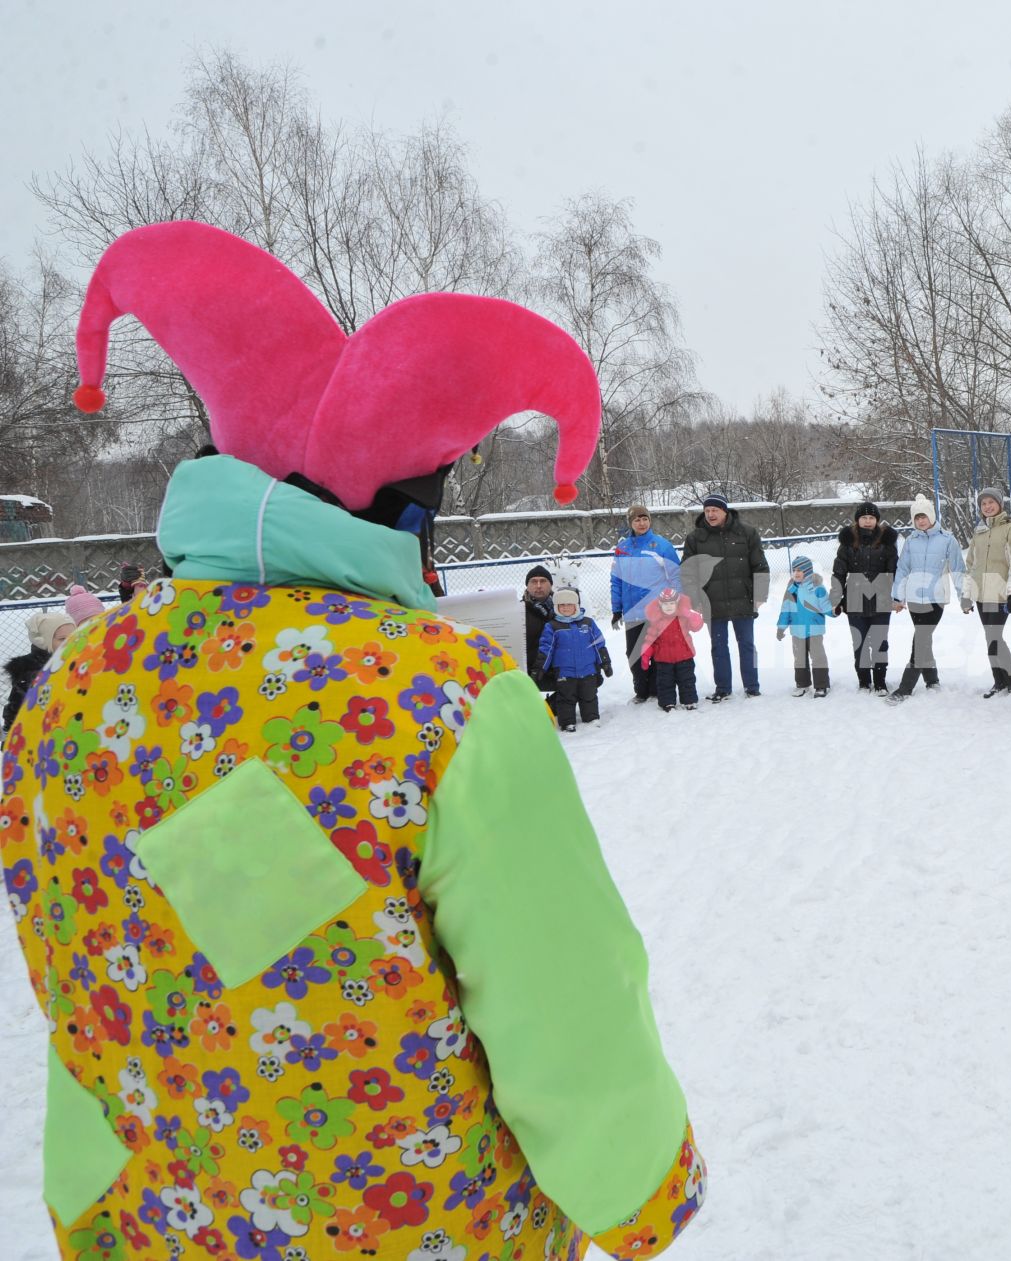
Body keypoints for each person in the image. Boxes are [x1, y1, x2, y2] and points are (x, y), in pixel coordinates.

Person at [12, 220, 703, 1261]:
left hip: (147, 1210)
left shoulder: (69, 681)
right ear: (403, 513)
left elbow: (83, 942)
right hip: (408, 1223)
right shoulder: (444, 699)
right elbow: (561, 994)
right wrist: (642, 1187)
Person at [681, 492, 769, 702]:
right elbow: (687, 572)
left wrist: (760, 594)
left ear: (725, 511)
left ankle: (752, 686)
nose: (711, 514)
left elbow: (760, 565)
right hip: (712, 602)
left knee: (747, 644)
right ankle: (723, 688)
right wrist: (695, 599)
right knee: (719, 647)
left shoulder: (746, 533)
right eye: (707, 510)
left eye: (715, 510)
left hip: (743, 599)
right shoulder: (695, 538)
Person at [888, 494, 965, 702]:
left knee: (921, 639)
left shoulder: (948, 539)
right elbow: (902, 569)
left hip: (936, 599)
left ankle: (905, 688)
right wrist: (898, 597)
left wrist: (964, 597)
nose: (921, 521)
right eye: (917, 518)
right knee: (923, 638)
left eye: (924, 516)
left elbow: (958, 569)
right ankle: (932, 680)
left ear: (931, 516)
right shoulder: (911, 541)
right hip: (914, 599)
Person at [609, 503, 682, 704]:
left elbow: (676, 576)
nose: (641, 523)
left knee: (658, 652)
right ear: (630, 523)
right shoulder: (622, 549)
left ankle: (657, 689)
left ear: (650, 521)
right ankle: (641, 691)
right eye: (636, 520)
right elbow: (616, 580)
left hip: (657, 610)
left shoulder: (661, 545)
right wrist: (616, 609)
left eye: (644, 519)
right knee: (634, 654)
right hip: (632, 612)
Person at [964, 487, 1011, 697]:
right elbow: (971, 564)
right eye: (983, 503)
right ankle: (999, 681)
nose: (987, 506)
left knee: (994, 636)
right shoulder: (979, 531)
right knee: (990, 637)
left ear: (1000, 505)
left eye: (991, 502)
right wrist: (967, 595)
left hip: (1000, 593)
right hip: (982, 593)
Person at [832, 499, 899, 693]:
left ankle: (880, 682)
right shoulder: (847, 542)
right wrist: (836, 598)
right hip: (854, 601)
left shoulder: (887, 542)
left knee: (879, 643)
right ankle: (863, 681)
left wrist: (895, 597)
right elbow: (839, 573)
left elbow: (894, 572)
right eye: (864, 517)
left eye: (871, 517)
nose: (868, 521)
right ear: (857, 520)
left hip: (881, 601)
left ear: (877, 520)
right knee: (859, 644)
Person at [539, 586, 615, 731]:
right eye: (562, 605)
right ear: (556, 606)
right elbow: (546, 649)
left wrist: (605, 662)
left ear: (577, 606)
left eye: (569, 604)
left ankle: (591, 718)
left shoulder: (588, 623)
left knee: (589, 696)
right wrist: (540, 668)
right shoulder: (553, 626)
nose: (566, 608)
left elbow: (599, 645)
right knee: (566, 698)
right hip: (565, 673)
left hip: (588, 670)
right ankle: (567, 722)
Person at [776, 554, 834, 697]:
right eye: (794, 570)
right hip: (797, 630)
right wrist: (781, 627)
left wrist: (835, 611)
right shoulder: (791, 589)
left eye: (800, 570)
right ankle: (802, 684)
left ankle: (821, 685)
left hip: (814, 629)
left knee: (818, 656)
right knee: (799, 658)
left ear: (807, 571)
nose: (796, 573)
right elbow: (786, 609)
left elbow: (826, 606)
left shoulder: (817, 588)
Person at [640, 587, 705, 712]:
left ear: (677, 604)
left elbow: (697, 626)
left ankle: (689, 700)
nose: (669, 607)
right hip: (664, 659)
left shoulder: (683, 618)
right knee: (665, 683)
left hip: (684, 657)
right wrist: (646, 653)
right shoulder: (657, 621)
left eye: (671, 603)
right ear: (660, 605)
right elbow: (650, 638)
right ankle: (667, 703)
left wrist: (690, 614)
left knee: (687, 680)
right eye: (665, 604)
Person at [3, 609, 66, 731]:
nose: (69, 641)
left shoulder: (72, 662)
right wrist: (10, 730)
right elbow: (16, 705)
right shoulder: (30, 671)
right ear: (42, 641)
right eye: (62, 639)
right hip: (37, 731)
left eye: (73, 636)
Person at [523, 563, 558, 703]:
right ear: (527, 585)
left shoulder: (564, 609)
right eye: (533, 581)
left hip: (558, 669)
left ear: (550, 585)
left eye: (543, 581)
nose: (538, 585)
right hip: (529, 672)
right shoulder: (518, 611)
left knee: (590, 679)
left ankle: (550, 707)